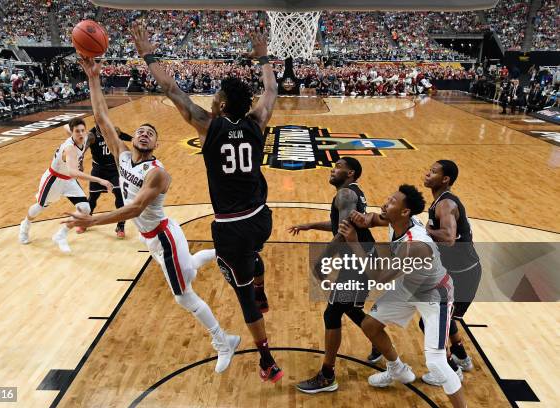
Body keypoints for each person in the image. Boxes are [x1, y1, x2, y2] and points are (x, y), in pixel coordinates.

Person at [65, 56, 240, 374]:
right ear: (133, 138)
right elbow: (102, 117)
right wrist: (93, 77)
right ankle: (226, 252)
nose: (144, 134)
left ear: (156, 143)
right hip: (155, 236)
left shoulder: (157, 173)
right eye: (141, 131)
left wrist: (91, 220)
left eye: (150, 133)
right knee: (187, 272)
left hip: (163, 236)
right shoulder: (122, 156)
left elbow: (133, 209)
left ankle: (223, 340)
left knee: (183, 296)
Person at [130, 22, 284, 382]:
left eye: (217, 94)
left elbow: (171, 88)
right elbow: (272, 88)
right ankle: (257, 279)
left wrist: (147, 54)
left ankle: (267, 361)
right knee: (252, 254)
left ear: (222, 102)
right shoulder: (258, 121)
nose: (212, 97)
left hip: (230, 226)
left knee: (241, 291)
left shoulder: (207, 124)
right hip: (262, 218)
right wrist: (263, 57)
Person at [348, 185, 466, 408]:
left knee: (437, 363)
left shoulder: (415, 244)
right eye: (389, 198)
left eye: (392, 202)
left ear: (405, 212)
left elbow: (378, 277)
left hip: (434, 295)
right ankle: (397, 370)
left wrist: (353, 241)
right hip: (409, 286)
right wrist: (364, 219)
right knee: (370, 325)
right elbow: (374, 218)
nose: (385, 203)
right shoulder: (398, 221)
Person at [288, 157, 380, 394]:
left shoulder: (346, 195)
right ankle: (380, 342)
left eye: (339, 166)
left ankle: (327, 376)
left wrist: (322, 260)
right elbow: (340, 223)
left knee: (332, 312)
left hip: (358, 261)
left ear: (351, 173)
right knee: (347, 307)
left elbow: (343, 233)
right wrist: (310, 226)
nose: (333, 168)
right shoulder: (352, 193)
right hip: (363, 257)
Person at [422, 160, 481, 385]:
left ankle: (449, 370)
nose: (428, 173)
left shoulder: (445, 204)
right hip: (458, 272)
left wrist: (425, 230)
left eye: (433, 172)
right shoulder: (441, 201)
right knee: (445, 318)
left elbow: (447, 238)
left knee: (431, 321)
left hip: (463, 275)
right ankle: (462, 357)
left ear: (445, 179)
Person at [18, 118, 113, 253]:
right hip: (54, 180)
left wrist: (71, 130)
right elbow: (73, 172)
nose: (80, 134)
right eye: (77, 131)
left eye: (82, 130)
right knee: (39, 207)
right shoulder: (69, 149)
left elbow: (66, 128)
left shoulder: (83, 137)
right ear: (73, 133)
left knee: (85, 208)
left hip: (68, 181)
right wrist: (100, 180)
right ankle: (25, 225)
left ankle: (61, 235)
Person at [64, 123, 132, 238]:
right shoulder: (91, 135)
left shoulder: (114, 129)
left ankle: (121, 225)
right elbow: (83, 148)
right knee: (93, 198)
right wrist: (80, 161)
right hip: (99, 170)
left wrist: (133, 139)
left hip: (114, 169)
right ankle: (86, 221)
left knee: (119, 196)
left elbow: (122, 135)